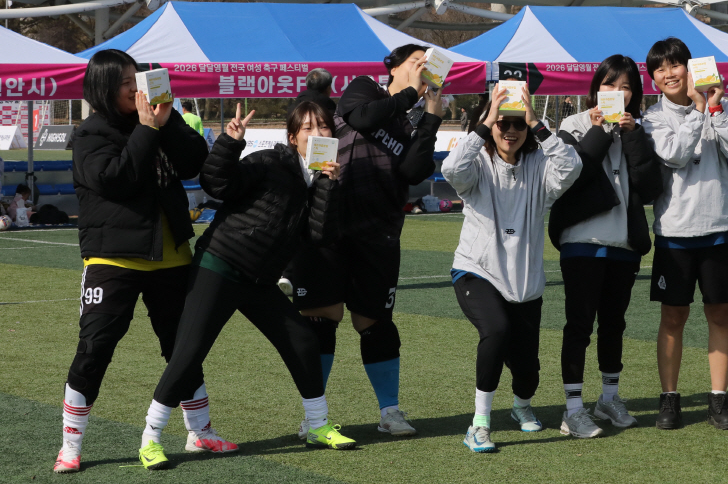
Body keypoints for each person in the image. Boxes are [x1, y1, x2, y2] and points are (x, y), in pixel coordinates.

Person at [135, 101, 356, 470]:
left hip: (259, 280)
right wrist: (230, 142)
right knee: (189, 352)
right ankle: (150, 438)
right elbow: (217, 183)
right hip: (220, 266)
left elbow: (319, 235)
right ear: (292, 137)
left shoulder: (321, 178)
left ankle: (317, 425)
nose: (318, 134)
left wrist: (328, 185)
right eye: (308, 128)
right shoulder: (270, 161)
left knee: (302, 340)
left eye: (324, 127)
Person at [54, 50, 232, 474]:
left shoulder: (156, 120)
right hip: (112, 258)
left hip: (171, 255)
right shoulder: (90, 134)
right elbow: (116, 179)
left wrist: (166, 121)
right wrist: (148, 129)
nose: (137, 88)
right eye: (126, 83)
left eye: (138, 78)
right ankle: (70, 446)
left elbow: (195, 163)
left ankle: (200, 430)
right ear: (104, 88)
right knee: (95, 348)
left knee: (182, 347)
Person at [284, 45, 442, 438]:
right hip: (327, 226)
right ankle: (315, 418)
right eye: (415, 62)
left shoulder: (414, 120)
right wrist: (409, 96)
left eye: (428, 63)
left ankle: (390, 412)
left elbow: (413, 169)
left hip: (379, 231)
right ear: (394, 68)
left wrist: (431, 122)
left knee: (376, 324)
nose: (423, 67)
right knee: (320, 319)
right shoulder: (365, 88)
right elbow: (361, 116)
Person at [443, 88, 582, 453]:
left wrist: (538, 123)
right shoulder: (476, 163)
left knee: (527, 370)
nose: (510, 130)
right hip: (476, 269)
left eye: (518, 123)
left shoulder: (540, 165)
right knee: (496, 330)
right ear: (491, 124)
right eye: (502, 123)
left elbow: (572, 167)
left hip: (524, 283)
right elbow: (450, 169)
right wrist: (484, 122)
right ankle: (480, 424)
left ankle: (521, 405)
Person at [642, 37, 728, 431]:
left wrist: (716, 106)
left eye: (676, 65)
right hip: (675, 232)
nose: (670, 74)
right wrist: (699, 109)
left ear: (692, 69)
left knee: (720, 314)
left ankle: (718, 399)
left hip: (722, 228)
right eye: (661, 69)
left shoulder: (723, 106)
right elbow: (674, 154)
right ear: (653, 78)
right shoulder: (652, 118)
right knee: (673, 316)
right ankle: (669, 399)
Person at [550, 55, 661, 438]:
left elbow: (649, 187)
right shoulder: (573, 124)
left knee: (614, 324)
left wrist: (631, 135)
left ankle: (609, 398)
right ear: (596, 88)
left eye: (626, 86)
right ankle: (573, 408)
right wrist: (598, 131)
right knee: (579, 325)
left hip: (624, 242)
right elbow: (570, 178)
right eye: (610, 85)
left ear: (635, 94)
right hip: (581, 239)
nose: (617, 93)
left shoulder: (639, 129)